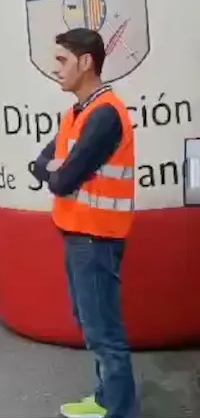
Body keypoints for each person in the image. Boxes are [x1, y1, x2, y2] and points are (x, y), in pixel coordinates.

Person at [28, 28, 137, 418]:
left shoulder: (105, 114)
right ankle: (107, 400)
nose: (55, 69)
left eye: (61, 60)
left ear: (86, 61)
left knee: (104, 332)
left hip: (96, 237)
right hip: (81, 234)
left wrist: (57, 171)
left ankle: (120, 409)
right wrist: (55, 169)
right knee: (92, 325)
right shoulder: (77, 112)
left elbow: (62, 178)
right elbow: (42, 162)